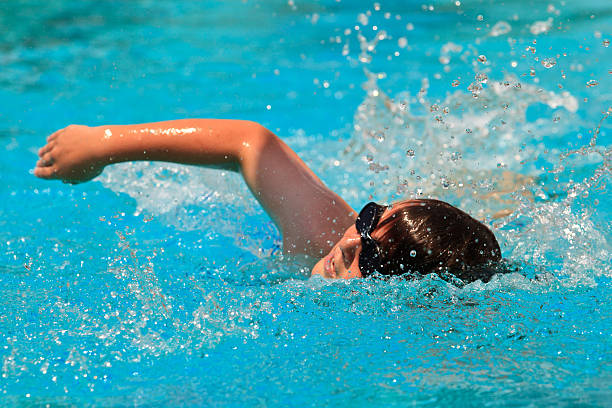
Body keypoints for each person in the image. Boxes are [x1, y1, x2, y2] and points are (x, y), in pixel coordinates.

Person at [34, 119, 502, 282]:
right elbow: (249, 143)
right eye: (368, 218)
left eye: (373, 255)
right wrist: (105, 144)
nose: (347, 245)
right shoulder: (322, 237)